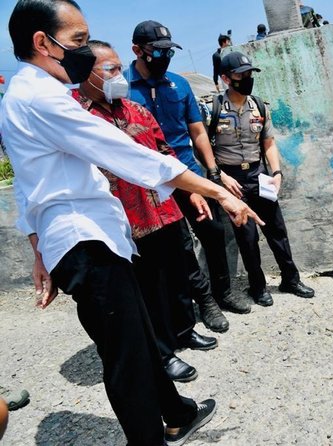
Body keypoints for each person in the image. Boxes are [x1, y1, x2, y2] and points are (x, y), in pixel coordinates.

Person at [1, 1, 260, 443]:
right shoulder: (39, 98)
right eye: (79, 41)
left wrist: (39, 250)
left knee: (137, 334)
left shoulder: (26, 98)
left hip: (82, 239)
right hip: (84, 241)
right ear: (43, 43)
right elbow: (126, 155)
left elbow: (28, 189)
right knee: (126, 357)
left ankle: (177, 411)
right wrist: (216, 190)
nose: (85, 52)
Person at [77, 40, 220, 382]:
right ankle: (162, 352)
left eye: (117, 67)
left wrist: (193, 192)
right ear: (86, 73)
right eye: (109, 69)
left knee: (178, 275)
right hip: (125, 222)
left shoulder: (136, 110)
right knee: (147, 289)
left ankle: (185, 331)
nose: (118, 75)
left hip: (165, 211)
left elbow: (164, 154)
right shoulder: (77, 117)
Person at [126, 20, 252, 318]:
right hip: (153, 183)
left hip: (189, 172)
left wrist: (212, 170)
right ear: (137, 50)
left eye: (168, 52)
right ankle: (204, 301)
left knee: (212, 231)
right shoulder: (123, 88)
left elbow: (197, 131)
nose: (164, 59)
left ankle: (223, 292)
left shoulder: (179, 85)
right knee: (180, 245)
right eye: (157, 53)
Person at [212, 51, 315, 306]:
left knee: (277, 229)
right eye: (240, 74)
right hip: (232, 179)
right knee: (247, 237)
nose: (246, 78)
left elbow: (268, 142)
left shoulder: (258, 106)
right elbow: (202, 149)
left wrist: (276, 172)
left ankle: (290, 279)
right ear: (226, 78)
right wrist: (221, 176)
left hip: (259, 174)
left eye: (249, 74)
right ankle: (257, 287)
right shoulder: (212, 109)